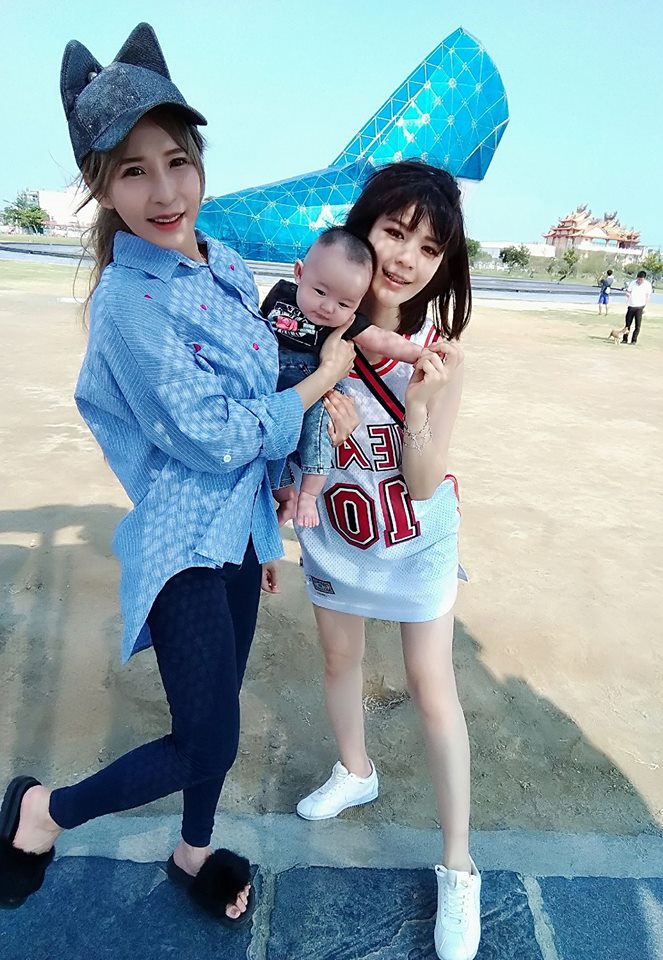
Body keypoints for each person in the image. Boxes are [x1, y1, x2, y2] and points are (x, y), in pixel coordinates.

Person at [0, 23, 356, 922]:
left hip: (238, 533)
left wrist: (270, 512)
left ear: (198, 161)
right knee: (206, 740)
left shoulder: (223, 264)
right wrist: (325, 380)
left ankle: (192, 849)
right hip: (182, 542)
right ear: (101, 185)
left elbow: (258, 396)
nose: (163, 191)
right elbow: (216, 436)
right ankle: (44, 812)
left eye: (176, 162)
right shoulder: (128, 301)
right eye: (132, 171)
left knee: (215, 714)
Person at [290, 160, 482, 960]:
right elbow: (275, 420)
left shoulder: (438, 355)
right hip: (337, 534)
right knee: (339, 659)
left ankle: (458, 866)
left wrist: (417, 404)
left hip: (414, 542)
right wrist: (318, 396)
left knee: (432, 689)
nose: (406, 258)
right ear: (363, 226)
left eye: (428, 248)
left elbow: (423, 481)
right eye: (394, 232)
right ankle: (355, 770)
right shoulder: (313, 320)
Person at [261, 227, 423, 527]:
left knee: (320, 431)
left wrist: (418, 354)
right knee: (267, 447)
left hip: (317, 395)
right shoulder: (279, 297)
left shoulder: (346, 322)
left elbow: (382, 340)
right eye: (320, 292)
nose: (328, 307)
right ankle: (286, 497)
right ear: (299, 273)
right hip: (273, 393)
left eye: (344, 304)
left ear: (357, 305)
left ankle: (308, 494)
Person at [622, 270, 653, 343]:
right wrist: (627, 294)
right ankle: (625, 339)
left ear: (644, 279)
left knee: (637, 325)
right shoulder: (632, 283)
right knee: (627, 324)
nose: (639, 281)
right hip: (631, 306)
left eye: (641, 280)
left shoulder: (647, 285)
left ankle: (634, 340)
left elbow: (647, 297)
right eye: (638, 279)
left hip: (640, 307)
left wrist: (645, 307)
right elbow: (628, 291)